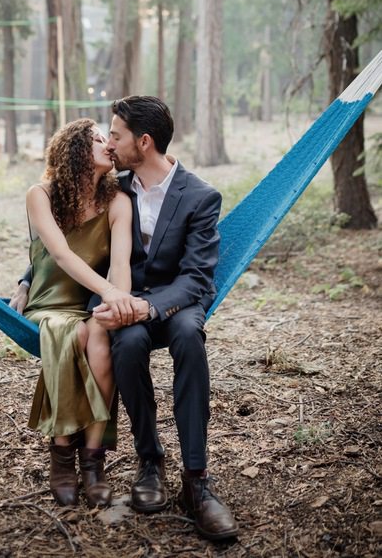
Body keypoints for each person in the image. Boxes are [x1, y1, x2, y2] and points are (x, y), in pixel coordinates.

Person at [12, 97, 238, 542]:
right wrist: (25, 279)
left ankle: (197, 479)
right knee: (128, 344)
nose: (110, 143)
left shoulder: (199, 196)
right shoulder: (115, 187)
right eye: (106, 136)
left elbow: (196, 278)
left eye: (115, 135)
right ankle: (148, 462)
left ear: (145, 142)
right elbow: (67, 239)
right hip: (123, 303)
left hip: (175, 304)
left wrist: (147, 306)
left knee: (190, 337)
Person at [12, 118, 143, 509]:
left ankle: (92, 462)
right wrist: (109, 292)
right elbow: (61, 255)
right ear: (74, 152)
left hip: (91, 303)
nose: (108, 144)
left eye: (109, 138)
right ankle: (61, 457)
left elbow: (120, 263)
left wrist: (115, 302)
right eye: (97, 139)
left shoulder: (118, 201)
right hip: (49, 305)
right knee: (73, 334)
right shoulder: (41, 194)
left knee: (101, 337)